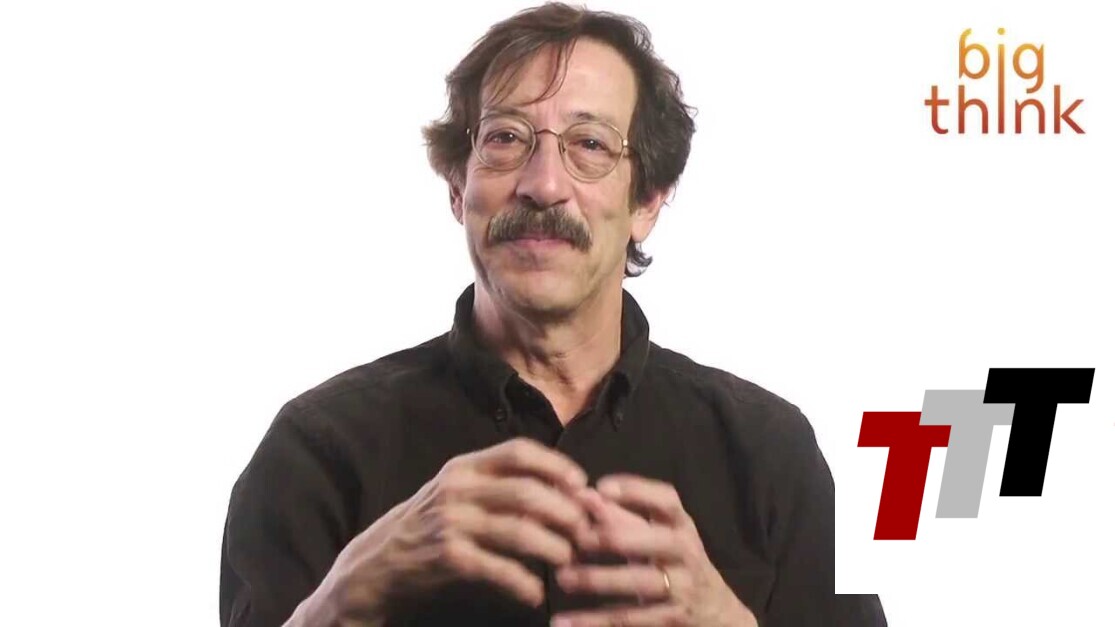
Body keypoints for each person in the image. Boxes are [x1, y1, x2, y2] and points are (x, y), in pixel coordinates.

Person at [220, 3, 888, 626]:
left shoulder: (769, 453)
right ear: (457, 186)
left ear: (647, 201)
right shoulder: (319, 450)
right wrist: (345, 598)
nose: (542, 185)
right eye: (506, 138)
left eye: (590, 145)